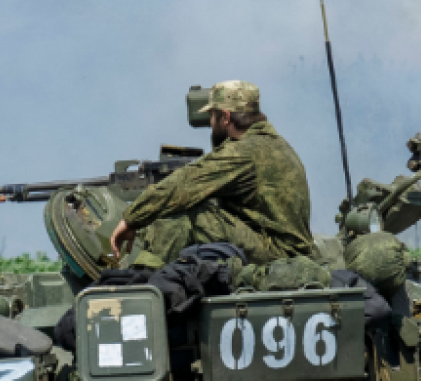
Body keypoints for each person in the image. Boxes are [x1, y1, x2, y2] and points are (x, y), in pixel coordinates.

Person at [109, 81, 314, 268]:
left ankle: (144, 279)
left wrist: (131, 219)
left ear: (225, 117)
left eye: (212, 117)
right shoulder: (275, 145)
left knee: (182, 209)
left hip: (276, 253)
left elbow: (184, 185)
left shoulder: (244, 152)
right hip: (286, 251)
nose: (210, 124)